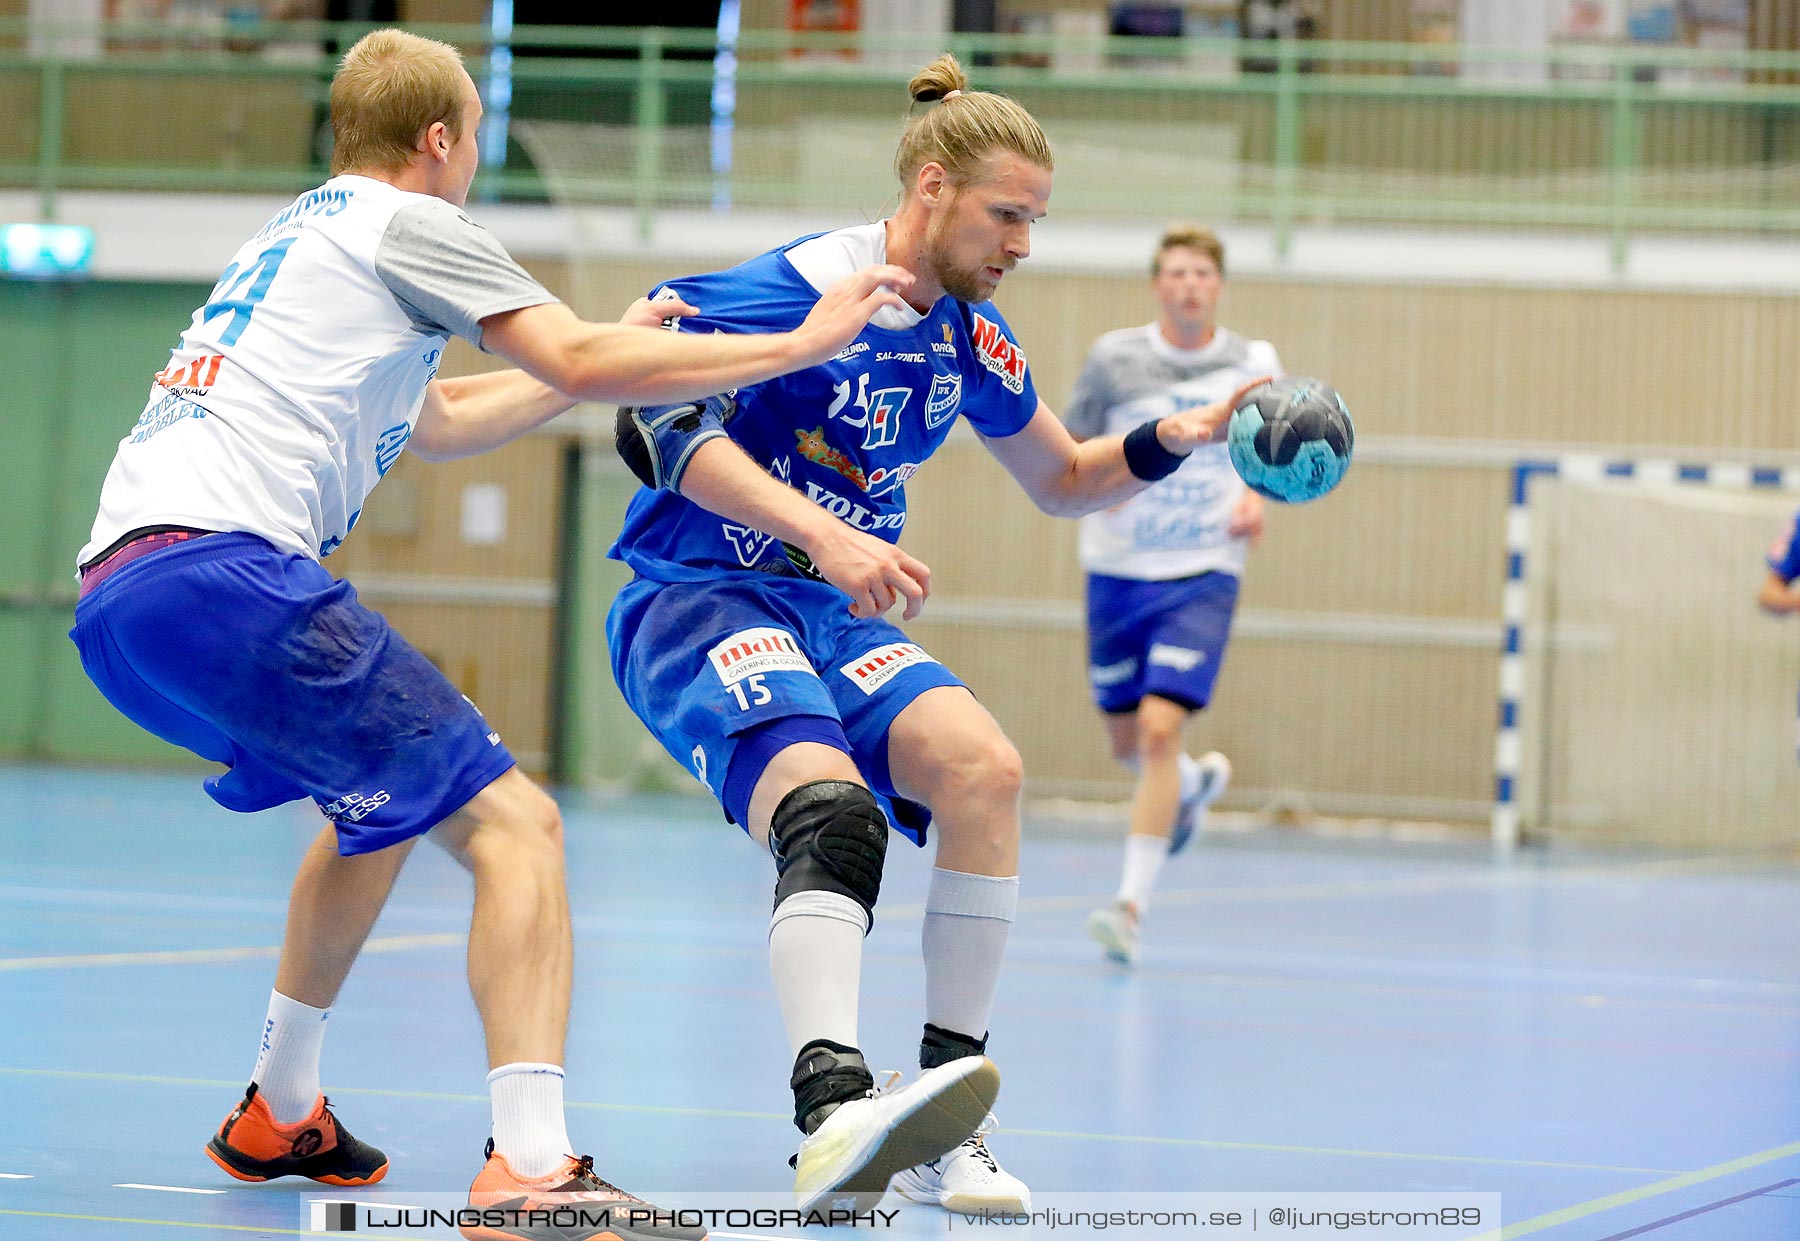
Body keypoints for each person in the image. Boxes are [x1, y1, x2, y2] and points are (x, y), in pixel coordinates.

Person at [70, 28, 909, 1241]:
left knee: (382, 805)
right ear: (440, 140)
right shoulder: (415, 222)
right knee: (518, 822)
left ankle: (280, 1107)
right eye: (474, 136)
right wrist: (800, 340)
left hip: (124, 596)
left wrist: (586, 364)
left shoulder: (302, 234)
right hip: (225, 573)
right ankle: (530, 1169)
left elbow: (451, 414)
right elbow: (570, 348)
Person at [605, 55, 1262, 1214]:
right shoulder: (790, 288)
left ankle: (952, 1112)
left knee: (985, 769)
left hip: (826, 608)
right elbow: (652, 427)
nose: (1022, 243)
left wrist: (1186, 431)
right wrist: (831, 534)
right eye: (1007, 214)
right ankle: (832, 1116)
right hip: (695, 592)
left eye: (1035, 221)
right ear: (931, 189)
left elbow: (1063, 476)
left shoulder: (970, 338)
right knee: (830, 811)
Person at [1068, 226, 1282, 968]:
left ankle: (1129, 907)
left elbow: (1273, 445)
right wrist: (1101, 488)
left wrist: (1258, 494)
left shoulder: (1254, 363)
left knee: (1160, 731)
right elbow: (1069, 446)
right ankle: (1191, 787)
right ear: (1158, 284)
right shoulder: (1114, 358)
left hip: (1203, 566)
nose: (1189, 284)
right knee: (1127, 742)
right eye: (1176, 273)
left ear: (1217, 286)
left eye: (1202, 273)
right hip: (1119, 568)